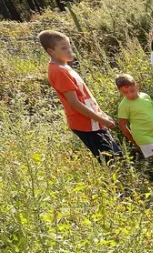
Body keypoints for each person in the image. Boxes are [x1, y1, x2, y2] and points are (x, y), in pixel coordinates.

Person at [38, 30, 121, 161]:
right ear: (51, 51)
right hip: (86, 124)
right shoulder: (59, 71)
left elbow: (84, 97)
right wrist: (101, 120)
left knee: (116, 156)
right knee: (113, 160)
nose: (69, 50)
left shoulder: (64, 66)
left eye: (69, 46)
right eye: (63, 48)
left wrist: (101, 114)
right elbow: (74, 103)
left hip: (92, 120)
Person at [115, 74, 153, 189]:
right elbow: (122, 125)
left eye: (132, 90)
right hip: (142, 136)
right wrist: (133, 140)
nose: (130, 94)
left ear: (137, 86)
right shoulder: (124, 105)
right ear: (120, 92)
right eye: (125, 93)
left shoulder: (145, 97)